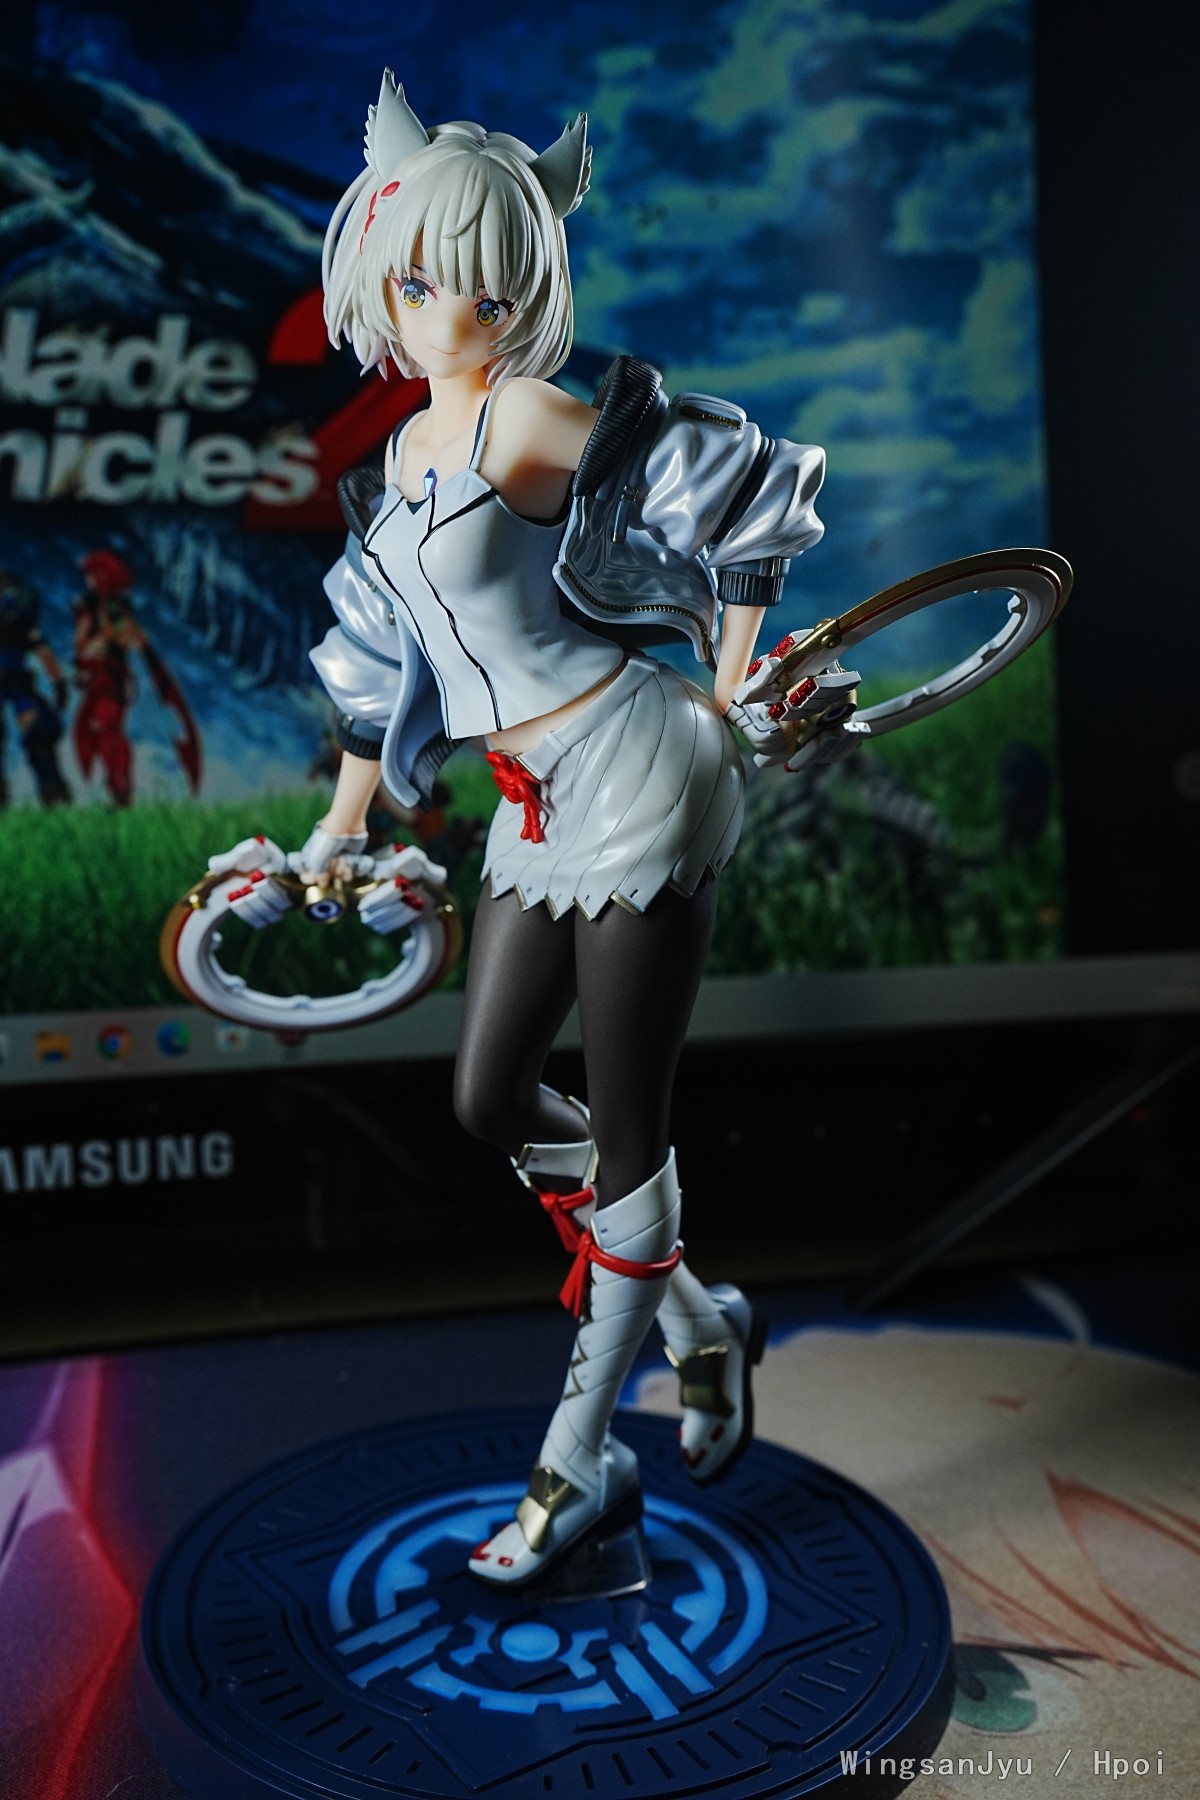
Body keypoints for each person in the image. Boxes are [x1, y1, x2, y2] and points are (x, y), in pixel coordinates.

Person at [301, 73, 837, 1588]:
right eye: (420, 283)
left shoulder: (532, 417)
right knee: (491, 1100)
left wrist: (733, 683)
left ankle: (581, 1459)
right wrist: (344, 823)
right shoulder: (404, 459)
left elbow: (738, 488)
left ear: (526, 289)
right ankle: (699, 1318)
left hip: (638, 770)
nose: (447, 316)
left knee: (629, 1126)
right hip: (531, 804)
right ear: (378, 272)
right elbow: (380, 661)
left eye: (484, 289)